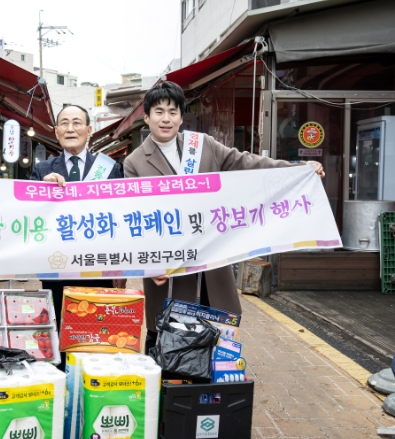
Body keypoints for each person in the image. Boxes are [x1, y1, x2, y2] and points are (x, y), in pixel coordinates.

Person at [123, 81, 325, 341]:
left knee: (219, 338)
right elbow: (136, 219)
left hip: (211, 263)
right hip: (168, 268)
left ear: (181, 118)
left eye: (173, 112)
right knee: (167, 342)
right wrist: (149, 264)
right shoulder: (135, 162)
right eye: (159, 112)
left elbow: (247, 162)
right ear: (147, 117)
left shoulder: (202, 145)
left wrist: (297, 168)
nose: (166, 119)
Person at [30, 105, 123, 347]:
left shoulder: (110, 168)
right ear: (56, 131)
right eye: (64, 123)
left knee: (95, 338)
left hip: (96, 267)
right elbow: (30, 218)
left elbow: (120, 217)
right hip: (56, 266)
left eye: (77, 123)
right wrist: (43, 191)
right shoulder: (42, 170)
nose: (70, 129)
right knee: (57, 337)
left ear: (89, 130)